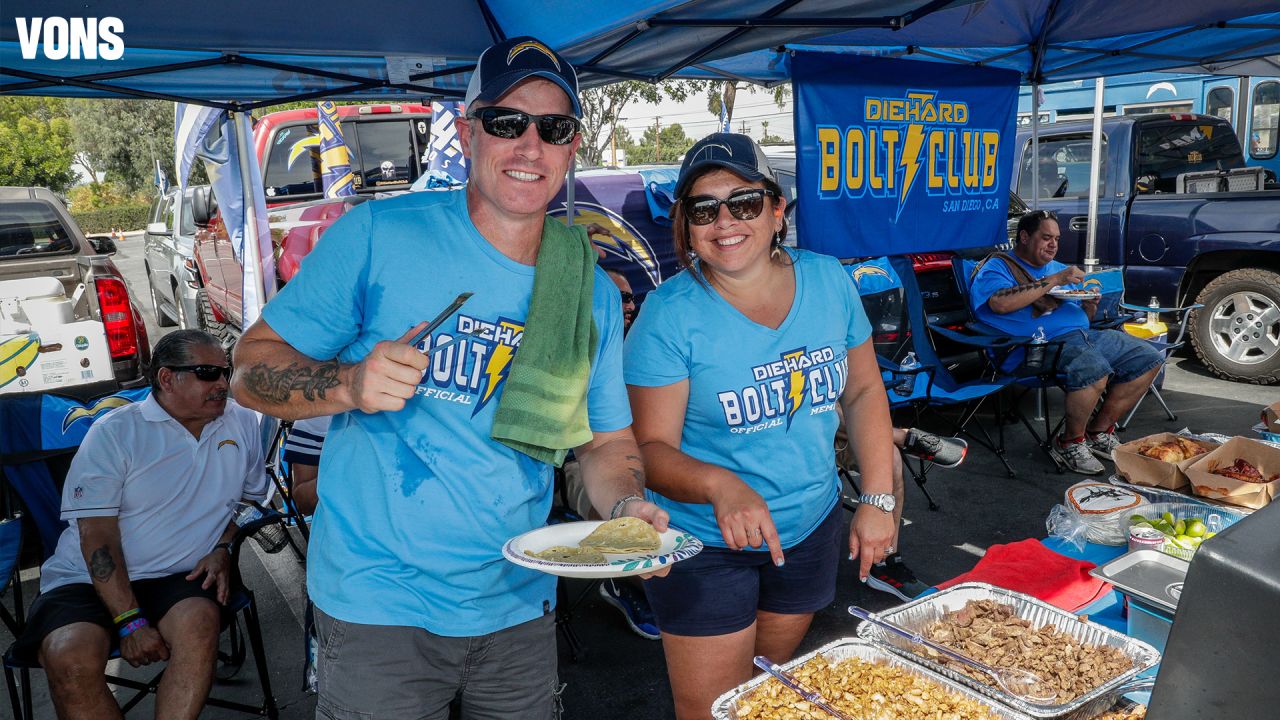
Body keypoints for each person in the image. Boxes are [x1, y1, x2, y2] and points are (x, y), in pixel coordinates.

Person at [230, 35, 668, 720]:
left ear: (572, 145)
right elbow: (249, 369)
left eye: (554, 128)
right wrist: (346, 385)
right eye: (506, 122)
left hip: (519, 598)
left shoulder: (588, 289)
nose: (530, 146)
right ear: (468, 134)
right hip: (379, 605)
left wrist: (625, 514)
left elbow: (606, 448)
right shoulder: (378, 234)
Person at [624, 133, 899, 719]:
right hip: (704, 545)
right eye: (704, 209)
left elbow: (864, 389)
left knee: (761, 693)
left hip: (808, 527)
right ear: (687, 226)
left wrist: (879, 497)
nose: (726, 221)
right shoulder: (669, 316)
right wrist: (722, 486)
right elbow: (647, 448)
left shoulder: (829, 281)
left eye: (745, 202)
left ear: (777, 211)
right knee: (712, 709)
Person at [13, 329, 268, 719]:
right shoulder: (115, 433)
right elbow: (96, 536)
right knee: (68, 658)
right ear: (167, 378)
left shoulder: (242, 422)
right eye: (206, 372)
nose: (222, 383)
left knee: (200, 627)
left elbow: (251, 499)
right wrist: (129, 619)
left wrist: (222, 547)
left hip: (181, 575)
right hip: (86, 580)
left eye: (225, 371)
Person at [972, 210, 1162, 475]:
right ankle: (1070, 443)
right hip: (1029, 348)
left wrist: (1089, 306)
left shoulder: (1058, 268)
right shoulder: (999, 266)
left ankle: (1098, 432)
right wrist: (1055, 280)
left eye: (1057, 239)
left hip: (1082, 337)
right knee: (1093, 367)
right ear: (1024, 237)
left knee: (1148, 357)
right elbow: (1000, 303)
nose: (1053, 245)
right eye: (1046, 237)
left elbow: (1082, 318)